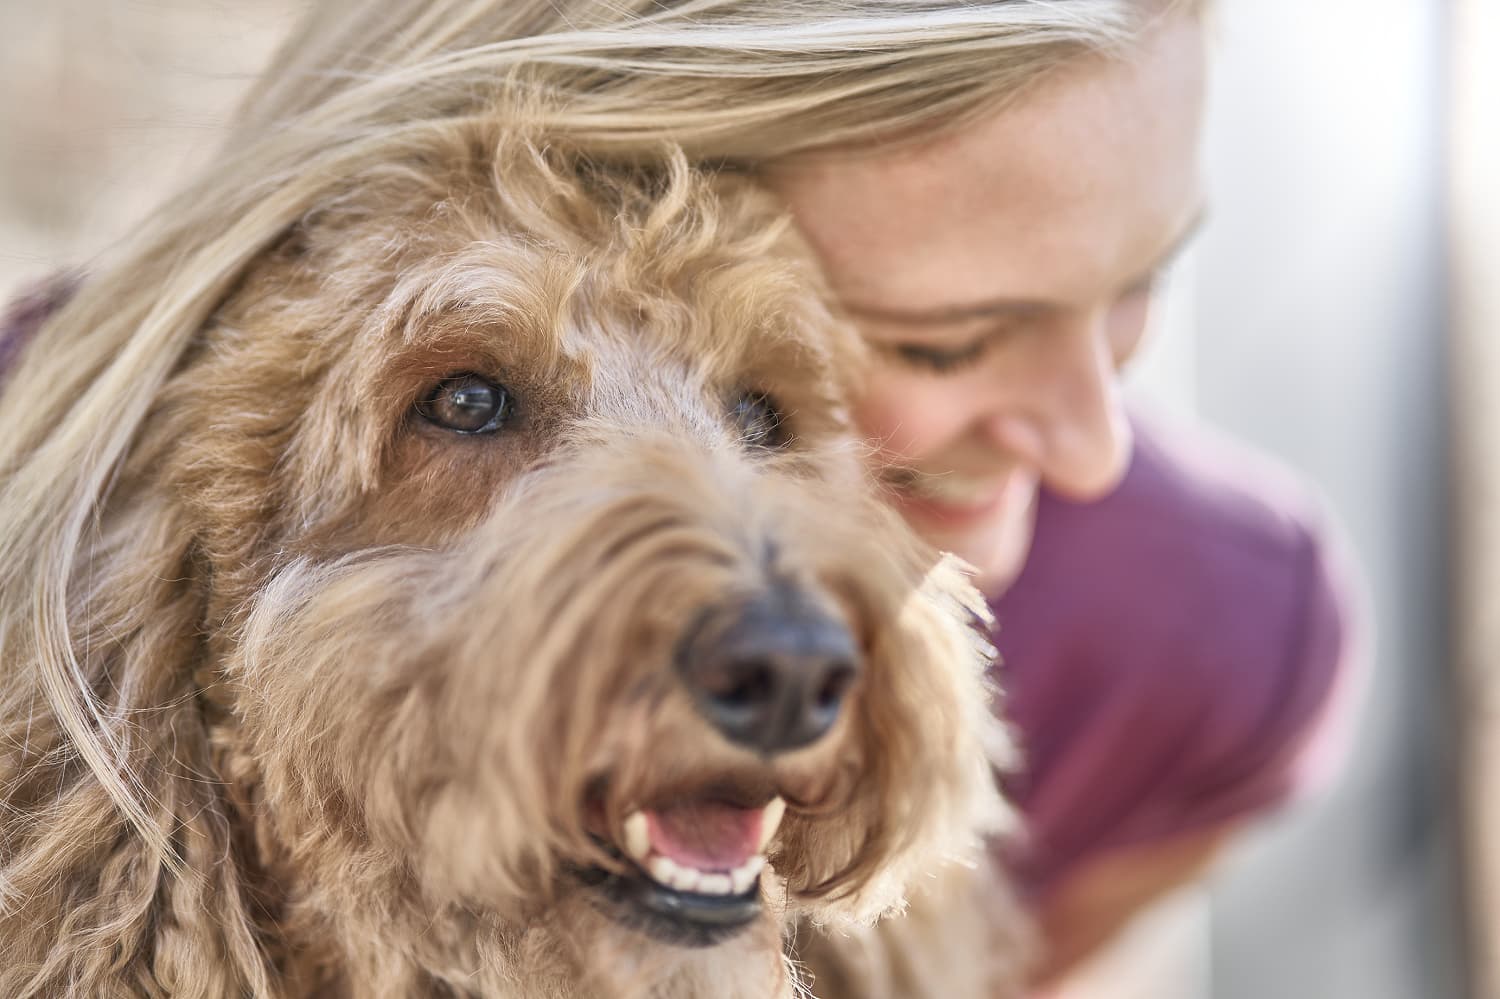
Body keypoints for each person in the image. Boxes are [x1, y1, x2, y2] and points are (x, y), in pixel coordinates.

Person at [0, 0, 1360, 991]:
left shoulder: (1208, 631)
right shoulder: (78, 474)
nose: (1088, 449)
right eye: (942, 338)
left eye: (1139, 289)